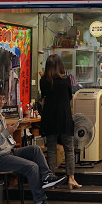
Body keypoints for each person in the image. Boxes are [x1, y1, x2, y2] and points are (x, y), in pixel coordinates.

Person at [0, 86, 64, 204]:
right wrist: (7, 132)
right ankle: (40, 202)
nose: (2, 102)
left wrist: (9, 131)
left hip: (8, 151)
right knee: (32, 166)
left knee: (35, 150)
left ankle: (47, 176)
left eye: (4, 99)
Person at [40, 53, 81, 190]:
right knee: (69, 149)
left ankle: (51, 179)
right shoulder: (66, 80)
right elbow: (69, 96)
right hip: (64, 117)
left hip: (49, 117)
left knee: (51, 150)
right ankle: (71, 179)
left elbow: (44, 97)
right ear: (60, 65)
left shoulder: (43, 80)